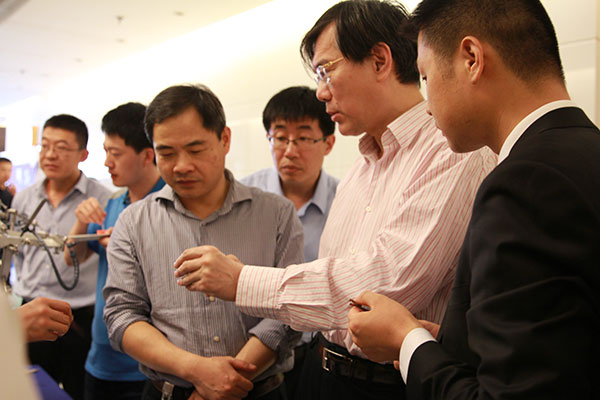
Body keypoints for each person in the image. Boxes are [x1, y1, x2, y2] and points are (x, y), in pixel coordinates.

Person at [172, 2, 496, 399]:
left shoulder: (450, 150)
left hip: (389, 384)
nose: (321, 91)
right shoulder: (361, 165)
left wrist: (241, 280)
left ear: (379, 60)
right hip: (322, 368)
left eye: (326, 71)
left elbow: (384, 287)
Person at [346, 0, 600, 399]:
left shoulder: (524, 184)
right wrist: (451, 342)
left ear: (471, 59)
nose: (427, 107)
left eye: (426, 77)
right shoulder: (584, 151)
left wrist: (407, 341)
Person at [102, 84, 303, 400]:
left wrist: (227, 381)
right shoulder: (133, 222)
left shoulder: (276, 214)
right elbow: (122, 315)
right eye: (166, 153)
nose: (181, 165)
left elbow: (288, 308)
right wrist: (196, 371)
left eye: (195, 150)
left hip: (259, 391)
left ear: (225, 139)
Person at [241, 86, 338, 397]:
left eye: (304, 138)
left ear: (329, 143)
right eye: (280, 137)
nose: (290, 151)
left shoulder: (345, 200)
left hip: (318, 351)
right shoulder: (243, 197)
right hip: (253, 348)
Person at [64, 102, 164, 400]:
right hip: (100, 359)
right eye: (106, 151)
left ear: (147, 155)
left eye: (116, 153)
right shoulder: (113, 204)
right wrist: (81, 221)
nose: (107, 162)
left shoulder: (168, 205)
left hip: (147, 366)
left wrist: (126, 248)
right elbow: (71, 259)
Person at [11, 114, 111, 400]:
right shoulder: (25, 198)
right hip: (29, 311)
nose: (50, 155)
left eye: (62, 147)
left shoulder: (102, 200)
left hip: (78, 318)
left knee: (77, 390)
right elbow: (19, 253)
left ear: (83, 154)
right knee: (27, 390)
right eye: (45, 146)